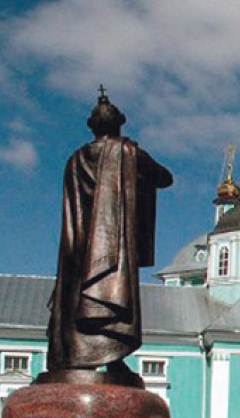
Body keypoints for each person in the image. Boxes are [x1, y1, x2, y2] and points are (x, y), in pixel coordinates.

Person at [46, 89, 173, 377]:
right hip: (112, 244)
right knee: (115, 295)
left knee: (75, 295)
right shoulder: (126, 151)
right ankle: (112, 359)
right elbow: (165, 178)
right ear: (118, 124)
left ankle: (78, 357)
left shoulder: (75, 159)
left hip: (78, 245)